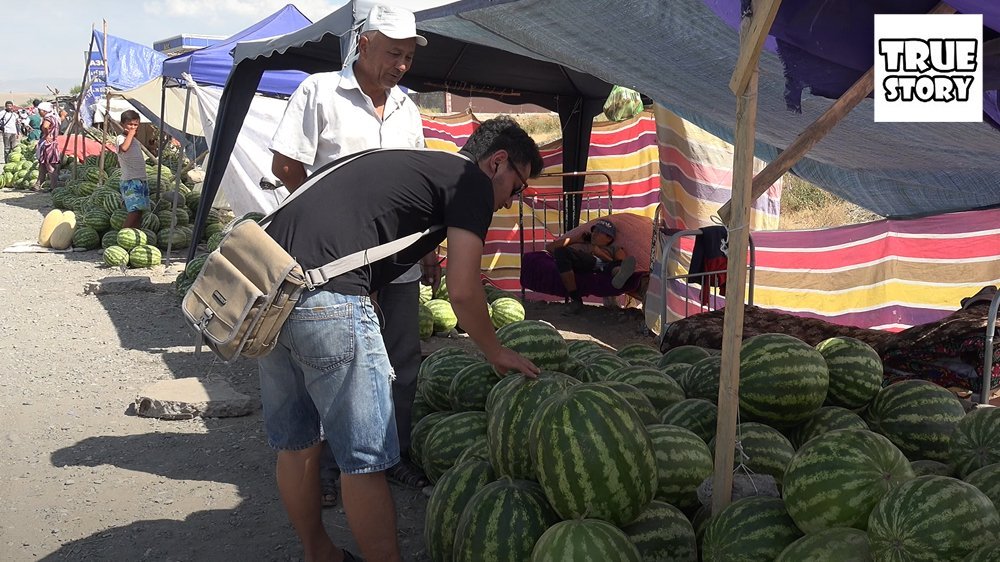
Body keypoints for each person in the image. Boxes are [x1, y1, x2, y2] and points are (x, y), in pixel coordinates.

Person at [259, 116, 543, 562]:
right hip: (328, 301)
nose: (511, 201)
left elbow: (352, 227)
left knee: (297, 445)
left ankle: (320, 553)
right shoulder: (468, 181)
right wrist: (495, 350)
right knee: (366, 460)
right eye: (518, 187)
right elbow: (465, 290)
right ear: (498, 162)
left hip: (273, 295)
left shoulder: (413, 163)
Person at [269, 4, 431, 504]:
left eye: (407, 56)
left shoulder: (408, 108)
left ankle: (391, 455)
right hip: (332, 262)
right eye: (393, 53)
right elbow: (284, 163)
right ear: (363, 43)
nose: (401, 65)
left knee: (398, 359)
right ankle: (328, 467)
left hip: (396, 259)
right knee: (328, 362)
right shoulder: (319, 92)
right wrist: (328, 221)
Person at [545, 218, 637, 315]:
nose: (594, 234)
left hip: (606, 265)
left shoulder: (614, 248)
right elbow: (550, 248)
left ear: (609, 238)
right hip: (587, 262)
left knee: (616, 266)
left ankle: (620, 275)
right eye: (594, 231)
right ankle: (575, 299)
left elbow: (621, 261)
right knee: (561, 252)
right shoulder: (582, 244)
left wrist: (601, 254)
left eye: (599, 232)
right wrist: (575, 239)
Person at [116, 110, 149, 228]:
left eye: (135, 125)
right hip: (130, 181)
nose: (133, 127)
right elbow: (124, 148)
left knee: (140, 211)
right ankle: (124, 233)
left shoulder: (134, 140)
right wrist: (130, 134)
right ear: (122, 124)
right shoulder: (120, 138)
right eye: (130, 124)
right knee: (134, 211)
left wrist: (132, 136)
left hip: (140, 179)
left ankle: (134, 233)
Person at [34, 102, 60, 191]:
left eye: (40, 110)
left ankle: (54, 187)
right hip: (52, 143)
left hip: (48, 145)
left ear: (44, 111)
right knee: (43, 165)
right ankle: (38, 184)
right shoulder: (54, 117)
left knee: (50, 166)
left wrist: (46, 134)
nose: (39, 112)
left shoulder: (48, 118)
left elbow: (45, 126)